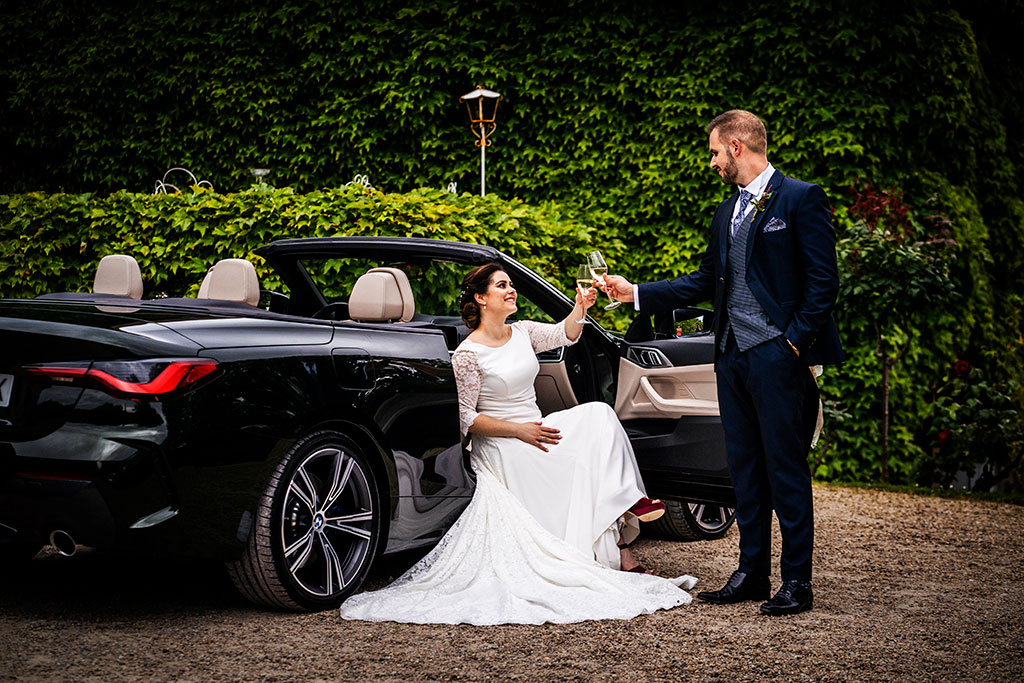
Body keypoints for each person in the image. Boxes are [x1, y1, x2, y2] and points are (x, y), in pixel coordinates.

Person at [339, 263, 696, 625]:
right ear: (481, 298)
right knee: (583, 444)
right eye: (502, 285)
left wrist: (581, 307)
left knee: (599, 416)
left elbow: (565, 335)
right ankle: (619, 528)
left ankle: (628, 500)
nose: (511, 290)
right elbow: (464, 418)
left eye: (511, 284)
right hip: (502, 442)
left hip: (537, 426)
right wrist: (518, 431)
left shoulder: (522, 332)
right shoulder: (466, 355)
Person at [604, 110, 844, 616]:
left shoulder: (801, 198)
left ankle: (796, 582)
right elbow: (705, 281)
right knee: (744, 469)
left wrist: (793, 344)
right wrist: (637, 293)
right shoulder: (725, 211)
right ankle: (752, 573)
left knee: (786, 469)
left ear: (737, 146)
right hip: (730, 356)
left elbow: (823, 283)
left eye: (714, 151)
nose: (711, 161)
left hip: (778, 357)